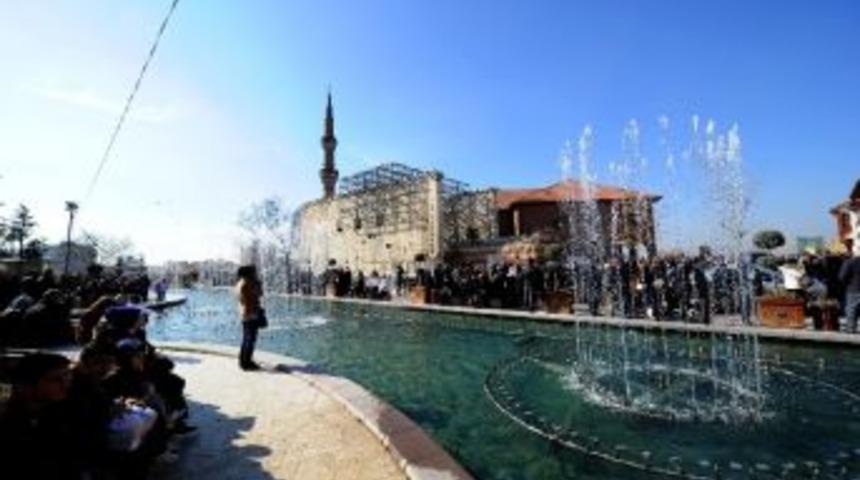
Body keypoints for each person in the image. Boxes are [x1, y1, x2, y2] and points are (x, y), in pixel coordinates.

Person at [235, 265, 264, 370]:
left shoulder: (240, 283)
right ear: (249, 273)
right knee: (250, 339)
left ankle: (243, 360)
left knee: (246, 339)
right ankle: (247, 363)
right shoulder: (247, 284)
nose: (255, 273)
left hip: (245, 314)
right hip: (250, 314)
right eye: (254, 272)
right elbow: (259, 294)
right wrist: (258, 284)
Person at [838, 252, 860, 333]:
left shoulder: (849, 262)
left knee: (851, 310)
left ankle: (851, 328)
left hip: (853, 289)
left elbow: (841, 277)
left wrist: (847, 284)